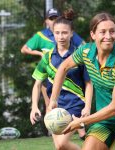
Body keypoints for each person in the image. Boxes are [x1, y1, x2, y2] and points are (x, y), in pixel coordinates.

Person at [48, 12, 115, 150]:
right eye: (103, 32)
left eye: (112, 31)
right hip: (104, 121)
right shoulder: (86, 52)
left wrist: (82, 122)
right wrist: (53, 99)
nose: (108, 36)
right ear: (93, 34)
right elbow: (63, 67)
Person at [30, 10, 93, 150]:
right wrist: (34, 106)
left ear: (71, 33)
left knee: (63, 144)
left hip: (76, 104)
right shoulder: (47, 57)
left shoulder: (80, 56)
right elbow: (37, 83)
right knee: (60, 147)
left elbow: (89, 84)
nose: (61, 36)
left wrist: (87, 106)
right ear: (53, 34)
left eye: (64, 33)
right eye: (57, 33)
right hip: (55, 106)